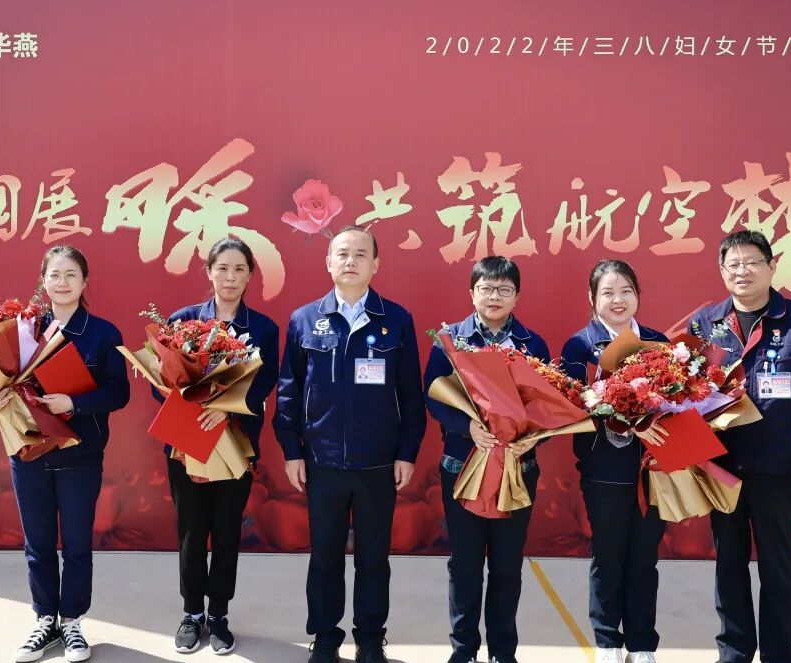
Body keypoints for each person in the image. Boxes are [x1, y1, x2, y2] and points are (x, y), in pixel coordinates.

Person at [274, 225, 426, 663]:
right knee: (324, 556)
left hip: (378, 464)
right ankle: (324, 637)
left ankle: (370, 639)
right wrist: (292, 451)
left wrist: (406, 452)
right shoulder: (305, 319)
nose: (351, 261)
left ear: (376, 264)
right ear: (328, 262)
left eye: (361, 254)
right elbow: (288, 391)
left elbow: (411, 395)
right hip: (321, 462)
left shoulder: (396, 319)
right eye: (342, 254)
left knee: (373, 558)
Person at [688, 230, 791, 663]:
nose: (742, 271)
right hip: (722, 468)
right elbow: (687, 395)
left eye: (752, 262)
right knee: (728, 564)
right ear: (722, 271)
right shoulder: (705, 324)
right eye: (733, 264)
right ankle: (734, 652)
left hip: (779, 468)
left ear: (772, 267)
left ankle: (778, 654)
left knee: (777, 567)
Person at [0, 245, 130, 663]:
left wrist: (75, 404)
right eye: (54, 275)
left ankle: (73, 621)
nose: (62, 283)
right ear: (43, 281)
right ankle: (44, 619)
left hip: (80, 453)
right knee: (38, 543)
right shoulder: (22, 331)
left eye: (70, 275)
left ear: (84, 282)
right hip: (28, 451)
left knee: (77, 544)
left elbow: (119, 392)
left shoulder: (103, 334)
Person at [423, 256, 547, 663]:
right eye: (487, 288)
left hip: (517, 468)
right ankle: (463, 649)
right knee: (465, 564)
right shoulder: (449, 341)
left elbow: (549, 404)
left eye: (504, 289)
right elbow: (433, 396)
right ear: (471, 293)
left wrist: (531, 437)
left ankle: (502, 651)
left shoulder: (533, 344)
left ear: (517, 296)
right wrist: (466, 427)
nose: (495, 296)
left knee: (507, 565)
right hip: (463, 467)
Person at [159, 237, 280, 655]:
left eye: (239, 269)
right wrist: (195, 405)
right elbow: (162, 384)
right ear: (209, 272)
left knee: (227, 532)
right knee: (191, 532)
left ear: (250, 275)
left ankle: (220, 614)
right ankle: (192, 612)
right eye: (222, 268)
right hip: (188, 442)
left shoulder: (263, 329)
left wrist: (226, 410)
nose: (230, 277)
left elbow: (265, 383)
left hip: (235, 442)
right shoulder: (183, 321)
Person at [560, 259, 669, 663]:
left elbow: (677, 402)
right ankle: (607, 641)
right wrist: (619, 409)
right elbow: (573, 405)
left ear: (638, 295)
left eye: (626, 291)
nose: (618, 300)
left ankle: (641, 644)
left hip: (653, 469)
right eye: (608, 292)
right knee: (607, 556)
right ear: (592, 299)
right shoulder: (579, 346)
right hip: (603, 468)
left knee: (644, 558)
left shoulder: (658, 342)